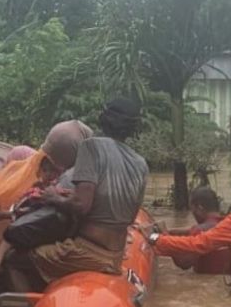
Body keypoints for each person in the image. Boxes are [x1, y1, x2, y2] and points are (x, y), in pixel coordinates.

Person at [29, 99, 149, 284]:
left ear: (103, 119)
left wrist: (53, 197)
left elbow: (81, 205)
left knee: (16, 257)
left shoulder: (91, 147)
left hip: (86, 251)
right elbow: (128, 213)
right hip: (116, 254)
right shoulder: (140, 163)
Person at [0, 120, 93, 244]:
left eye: (57, 169)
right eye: (48, 167)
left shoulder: (77, 182)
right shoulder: (21, 154)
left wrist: (56, 199)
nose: (51, 175)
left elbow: (40, 218)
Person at [164, 186, 229, 271]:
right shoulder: (229, 224)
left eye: (192, 210)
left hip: (205, 280)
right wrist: (174, 232)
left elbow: (184, 262)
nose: (193, 214)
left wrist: (165, 239)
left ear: (199, 208)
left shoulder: (200, 230)